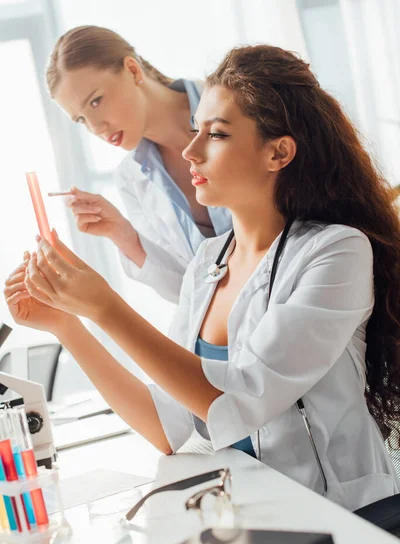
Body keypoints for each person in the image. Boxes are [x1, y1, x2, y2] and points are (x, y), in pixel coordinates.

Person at [5, 45, 400, 511]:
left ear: (278, 152)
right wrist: (68, 324)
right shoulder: (209, 260)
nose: (190, 151)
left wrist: (105, 305)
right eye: (196, 130)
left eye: (215, 134)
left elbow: (240, 398)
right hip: (258, 511)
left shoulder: (336, 251)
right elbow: (165, 425)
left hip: (347, 515)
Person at [46, 25, 232, 303]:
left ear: (133, 70)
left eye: (96, 101)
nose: (96, 128)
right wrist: (121, 232)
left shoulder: (234, 102)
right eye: (81, 119)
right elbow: (187, 293)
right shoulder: (130, 180)